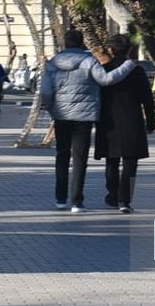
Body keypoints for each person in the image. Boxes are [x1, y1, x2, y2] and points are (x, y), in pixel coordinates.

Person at [38, 28, 136, 213]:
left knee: (61, 156)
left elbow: (46, 91)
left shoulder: (53, 63)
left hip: (61, 115)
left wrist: (53, 110)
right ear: (81, 42)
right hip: (83, 117)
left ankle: (60, 198)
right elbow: (106, 79)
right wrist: (127, 66)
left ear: (65, 43)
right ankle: (76, 201)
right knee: (79, 159)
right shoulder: (89, 61)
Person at [93, 35, 155, 213]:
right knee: (131, 163)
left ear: (111, 51)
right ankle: (125, 200)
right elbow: (147, 100)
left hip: (108, 122)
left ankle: (113, 195)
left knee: (111, 161)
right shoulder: (138, 71)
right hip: (132, 121)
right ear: (128, 51)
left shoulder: (103, 71)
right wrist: (150, 123)